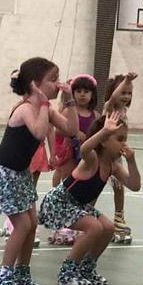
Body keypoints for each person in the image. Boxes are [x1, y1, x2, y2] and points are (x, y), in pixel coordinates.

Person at [0, 57, 77, 285]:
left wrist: (69, 101)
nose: (58, 83)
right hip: (3, 174)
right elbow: (38, 131)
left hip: (20, 175)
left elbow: (71, 128)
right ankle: (4, 278)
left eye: (58, 78)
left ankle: (22, 274)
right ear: (35, 85)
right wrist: (44, 102)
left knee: (32, 224)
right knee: (21, 224)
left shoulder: (47, 108)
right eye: (52, 80)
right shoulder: (24, 109)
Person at [39, 112, 138, 285]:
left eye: (125, 139)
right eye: (119, 139)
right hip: (59, 202)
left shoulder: (113, 166)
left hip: (77, 205)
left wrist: (132, 161)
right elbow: (84, 148)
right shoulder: (92, 160)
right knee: (94, 227)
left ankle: (86, 268)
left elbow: (134, 185)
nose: (123, 144)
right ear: (103, 141)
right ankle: (67, 273)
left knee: (108, 228)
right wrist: (104, 131)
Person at [47, 74, 100, 246]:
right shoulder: (68, 111)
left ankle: (80, 222)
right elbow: (58, 130)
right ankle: (62, 223)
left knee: (84, 188)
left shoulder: (96, 114)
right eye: (78, 91)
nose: (82, 95)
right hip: (71, 152)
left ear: (93, 94)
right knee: (68, 185)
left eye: (86, 91)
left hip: (87, 156)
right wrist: (75, 133)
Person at [102, 72, 137, 243]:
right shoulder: (109, 108)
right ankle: (83, 217)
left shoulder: (124, 111)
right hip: (101, 156)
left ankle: (119, 219)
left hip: (117, 156)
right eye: (123, 92)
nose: (126, 96)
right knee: (93, 187)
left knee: (119, 187)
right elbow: (114, 98)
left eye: (129, 93)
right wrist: (127, 81)